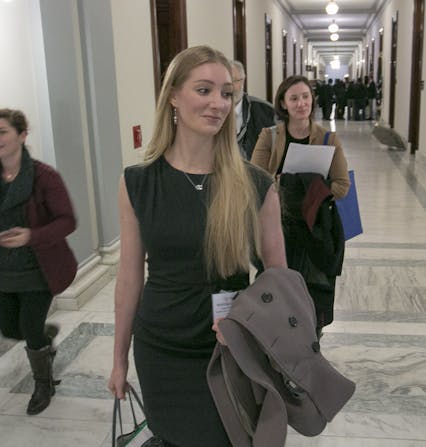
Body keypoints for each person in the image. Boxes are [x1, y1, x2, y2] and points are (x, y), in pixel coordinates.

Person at [107, 46, 286, 447]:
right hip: (160, 348)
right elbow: (129, 278)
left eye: (227, 93)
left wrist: (247, 321)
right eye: (203, 90)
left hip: (228, 348)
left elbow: (279, 281)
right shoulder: (138, 182)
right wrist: (119, 360)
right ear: (173, 95)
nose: (218, 103)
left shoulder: (255, 184)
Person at [0, 108, 77, 416]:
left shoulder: (45, 177)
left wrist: (30, 235)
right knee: (9, 328)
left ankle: (44, 384)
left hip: (38, 268)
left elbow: (67, 221)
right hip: (1, 268)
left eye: (2, 131)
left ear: (22, 135)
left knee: (29, 328)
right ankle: (45, 337)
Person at [251, 75, 350, 337]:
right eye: (294, 98)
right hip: (277, 227)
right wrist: (285, 183)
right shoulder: (269, 137)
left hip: (313, 229)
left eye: (305, 97)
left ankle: (309, 348)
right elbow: (254, 179)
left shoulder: (329, 139)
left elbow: (342, 185)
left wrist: (311, 188)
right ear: (283, 104)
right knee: (276, 294)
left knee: (311, 298)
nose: (301, 103)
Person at [230, 60, 275, 160]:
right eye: (225, 82)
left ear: (243, 81)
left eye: (233, 81)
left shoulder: (266, 111)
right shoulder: (210, 112)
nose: (229, 87)